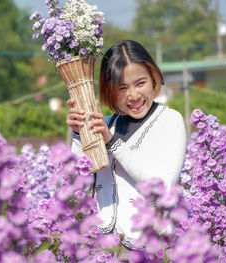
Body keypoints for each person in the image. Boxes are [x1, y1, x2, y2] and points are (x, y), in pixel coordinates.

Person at [66, 40, 187, 250]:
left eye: (140, 83)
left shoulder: (170, 121)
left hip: (150, 249)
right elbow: (75, 188)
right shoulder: (106, 125)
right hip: (103, 249)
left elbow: (162, 188)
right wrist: (79, 136)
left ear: (153, 78)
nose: (134, 95)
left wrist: (112, 143)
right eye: (122, 88)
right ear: (109, 91)